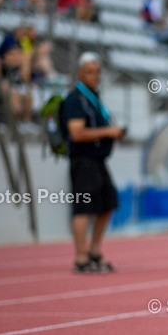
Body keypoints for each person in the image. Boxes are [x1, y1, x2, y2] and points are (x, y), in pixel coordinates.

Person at [61, 53, 125, 274]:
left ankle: (94, 252)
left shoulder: (93, 100)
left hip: (98, 160)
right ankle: (80, 258)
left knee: (107, 205)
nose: (94, 76)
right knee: (83, 208)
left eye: (97, 72)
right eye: (89, 71)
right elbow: (76, 133)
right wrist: (108, 132)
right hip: (83, 160)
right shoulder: (75, 100)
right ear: (80, 73)